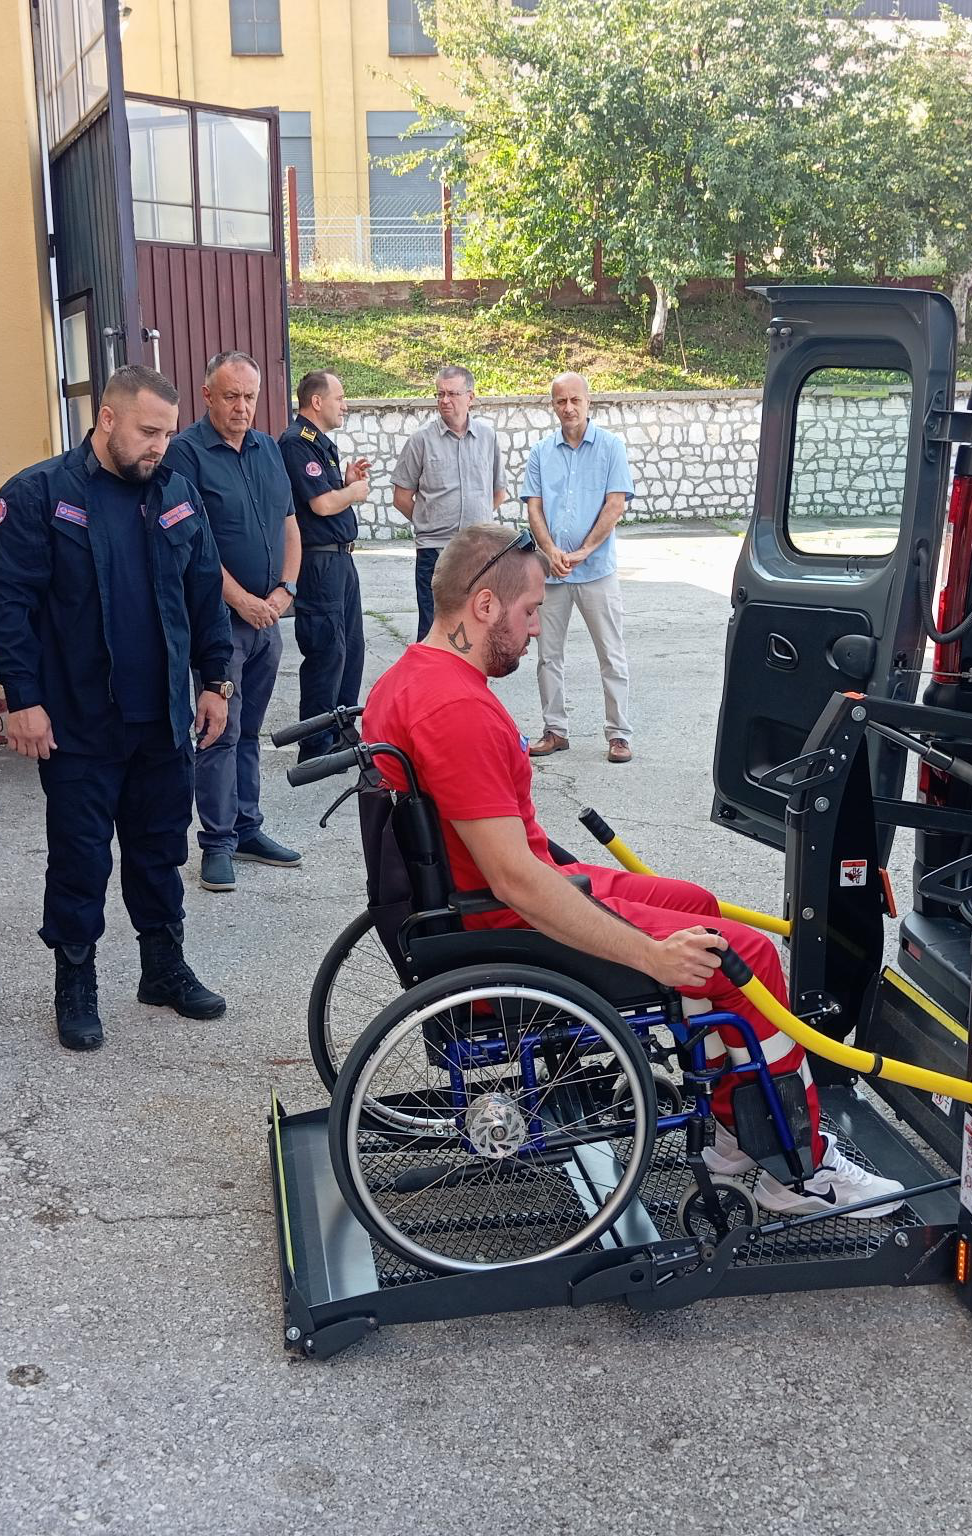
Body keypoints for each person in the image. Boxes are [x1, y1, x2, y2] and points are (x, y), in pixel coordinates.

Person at [363, 523, 906, 1217]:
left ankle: (735, 1131)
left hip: (478, 899)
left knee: (696, 902)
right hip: (506, 921)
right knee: (744, 955)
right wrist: (651, 954)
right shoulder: (456, 710)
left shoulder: (410, 678)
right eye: (530, 611)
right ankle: (799, 1171)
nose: (536, 630)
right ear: (485, 605)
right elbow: (516, 882)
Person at [0, 364, 232, 1055]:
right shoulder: (39, 496)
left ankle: (163, 969)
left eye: (168, 434)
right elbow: (3, 603)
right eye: (148, 432)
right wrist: (22, 699)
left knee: (160, 850)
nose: (160, 447)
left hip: (161, 721)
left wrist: (216, 681)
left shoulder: (175, 492)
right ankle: (76, 982)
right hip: (78, 723)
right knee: (81, 859)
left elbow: (205, 589)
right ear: (107, 419)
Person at [158, 352, 302, 894]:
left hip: (269, 617)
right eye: (231, 396)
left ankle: (246, 829)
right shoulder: (186, 454)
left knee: (249, 731)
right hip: (220, 621)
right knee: (219, 730)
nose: (242, 407)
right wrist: (242, 601)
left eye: (250, 396)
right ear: (207, 396)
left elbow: (290, 523)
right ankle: (216, 844)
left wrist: (286, 590)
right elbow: (192, 542)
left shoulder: (268, 449)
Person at [522, 373, 637, 763]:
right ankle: (555, 731)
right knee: (547, 656)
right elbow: (534, 508)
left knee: (611, 655)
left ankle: (619, 735)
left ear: (589, 402)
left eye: (575, 400)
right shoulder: (541, 452)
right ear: (553, 405)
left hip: (597, 571)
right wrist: (550, 550)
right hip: (551, 572)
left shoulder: (610, 447)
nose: (568, 407)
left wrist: (585, 551)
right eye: (561, 401)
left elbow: (615, 505)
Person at [279, 370, 373, 762]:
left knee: (351, 648)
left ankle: (341, 735)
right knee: (326, 652)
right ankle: (316, 747)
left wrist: (346, 483)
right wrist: (354, 492)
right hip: (319, 562)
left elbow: (327, 496)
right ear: (316, 402)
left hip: (340, 559)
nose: (345, 405)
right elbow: (320, 505)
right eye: (339, 397)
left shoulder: (319, 443)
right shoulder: (297, 442)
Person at [391, 364, 507, 640]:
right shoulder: (421, 440)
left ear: (470, 397)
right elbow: (401, 497)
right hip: (435, 553)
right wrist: (429, 521)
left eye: (452, 394)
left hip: (478, 553)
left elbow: (497, 492)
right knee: (433, 630)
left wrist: (476, 526)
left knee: (478, 629)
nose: (444, 400)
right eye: (440, 394)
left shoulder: (487, 437)